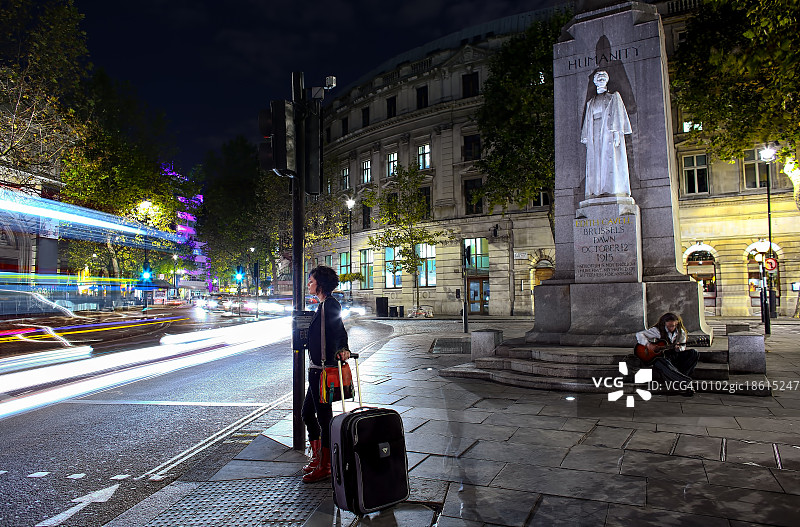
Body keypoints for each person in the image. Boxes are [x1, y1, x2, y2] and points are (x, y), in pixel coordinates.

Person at [301, 265, 350, 483]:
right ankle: (319, 457)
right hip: (316, 369)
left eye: (311, 281)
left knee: (323, 417)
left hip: (322, 371)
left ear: (320, 284)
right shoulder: (322, 305)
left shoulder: (330, 305)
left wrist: (343, 348)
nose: (309, 284)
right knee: (307, 413)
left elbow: (338, 329)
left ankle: (326, 465)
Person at [580, 70, 632, 199]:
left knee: (609, 161)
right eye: (598, 77)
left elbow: (618, 115)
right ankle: (596, 190)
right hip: (594, 133)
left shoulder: (614, 96)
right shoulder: (590, 102)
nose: (601, 78)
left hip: (608, 132)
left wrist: (616, 133)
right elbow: (587, 121)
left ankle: (612, 188)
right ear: (594, 81)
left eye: (603, 76)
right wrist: (586, 137)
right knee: (596, 162)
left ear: (607, 80)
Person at [635, 313, 698, 396]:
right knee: (660, 362)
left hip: (674, 357)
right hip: (662, 358)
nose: (671, 328)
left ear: (676, 323)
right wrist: (648, 344)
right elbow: (639, 334)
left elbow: (682, 347)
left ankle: (675, 377)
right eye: (669, 326)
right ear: (664, 323)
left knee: (694, 353)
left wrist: (678, 348)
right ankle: (685, 383)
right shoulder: (658, 330)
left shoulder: (680, 332)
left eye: (673, 325)